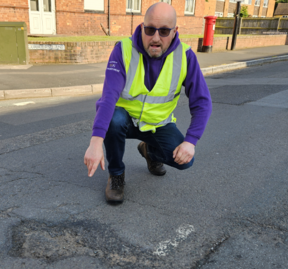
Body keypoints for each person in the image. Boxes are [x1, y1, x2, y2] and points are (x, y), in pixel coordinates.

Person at [83, 2, 212, 204]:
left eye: (164, 31)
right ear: (142, 27)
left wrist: (191, 141)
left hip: (158, 124)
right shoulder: (123, 49)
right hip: (125, 122)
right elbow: (108, 97)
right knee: (113, 120)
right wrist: (95, 142)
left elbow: (202, 102)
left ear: (175, 31)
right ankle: (116, 174)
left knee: (186, 161)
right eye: (150, 29)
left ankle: (149, 151)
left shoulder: (185, 56)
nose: (155, 38)